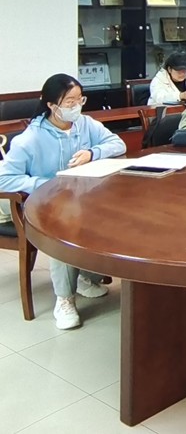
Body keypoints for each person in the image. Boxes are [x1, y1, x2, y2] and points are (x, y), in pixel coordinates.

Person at [0, 74, 126, 329]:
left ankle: (86, 277)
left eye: (80, 100)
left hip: (76, 198)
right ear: (51, 105)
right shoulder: (31, 138)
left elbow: (117, 143)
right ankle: (64, 299)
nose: (76, 106)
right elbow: (5, 179)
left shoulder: (85, 124)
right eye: (69, 101)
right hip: (37, 202)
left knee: (111, 215)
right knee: (64, 225)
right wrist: (48, 183)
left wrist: (92, 152)